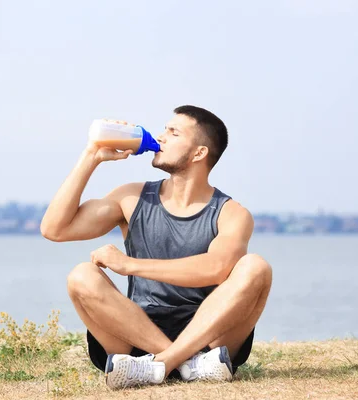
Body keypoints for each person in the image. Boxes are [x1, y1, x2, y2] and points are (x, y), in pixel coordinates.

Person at [41, 105, 272, 389]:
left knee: (256, 267)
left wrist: (130, 265)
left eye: (173, 133)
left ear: (199, 153)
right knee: (81, 275)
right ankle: (184, 363)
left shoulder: (231, 213)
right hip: (136, 335)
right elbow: (55, 229)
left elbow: (217, 268)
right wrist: (92, 155)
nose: (161, 137)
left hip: (209, 340)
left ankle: (162, 364)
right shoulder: (132, 197)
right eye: (164, 130)